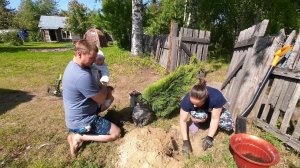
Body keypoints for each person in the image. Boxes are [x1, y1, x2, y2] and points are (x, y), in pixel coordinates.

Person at [62, 40, 120, 157]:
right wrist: (104, 82)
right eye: (91, 59)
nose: (94, 62)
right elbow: (100, 100)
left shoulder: (74, 65)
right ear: (79, 54)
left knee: (110, 96)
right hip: (83, 120)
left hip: (75, 115)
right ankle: (79, 136)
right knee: (116, 133)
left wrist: (105, 89)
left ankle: (77, 131)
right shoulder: (81, 76)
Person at [179, 78, 234, 154]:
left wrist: (209, 137)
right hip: (201, 111)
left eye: (197, 104)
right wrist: (185, 142)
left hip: (212, 110)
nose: (194, 105)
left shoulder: (216, 97)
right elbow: (183, 121)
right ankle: (198, 122)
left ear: (205, 99)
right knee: (199, 116)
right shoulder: (186, 101)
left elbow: (215, 119)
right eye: (193, 103)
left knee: (228, 125)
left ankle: (208, 121)